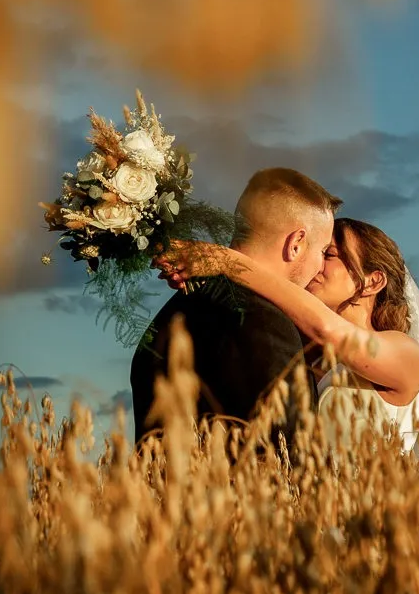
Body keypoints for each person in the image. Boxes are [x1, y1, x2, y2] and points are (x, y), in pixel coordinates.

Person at [154, 216, 419, 476]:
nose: (316, 264)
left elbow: (327, 329)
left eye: (330, 255)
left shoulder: (405, 353)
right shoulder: (303, 352)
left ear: (373, 281)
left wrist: (228, 262)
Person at [129, 167, 339, 446]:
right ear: (296, 243)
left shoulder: (171, 314)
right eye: (323, 251)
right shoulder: (265, 322)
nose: (321, 265)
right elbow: (284, 452)